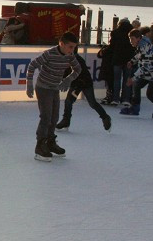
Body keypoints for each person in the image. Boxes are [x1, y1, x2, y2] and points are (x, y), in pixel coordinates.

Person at [27, 32, 83, 162]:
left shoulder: (70, 56)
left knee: (54, 117)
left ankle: (50, 142)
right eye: (70, 47)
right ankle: (40, 146)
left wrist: (68, 80)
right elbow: (32, 65)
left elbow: (78, 69)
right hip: (43, 88)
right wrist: (29, 83)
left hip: (54, 89)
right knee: (46, 117)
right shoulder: (49, 53)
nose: (72, 50)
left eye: (74, 47)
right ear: (61, 44)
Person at [57, 50, 112, 133]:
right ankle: (66, 121)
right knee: (68, 101)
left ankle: (105, 117)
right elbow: (64, 73)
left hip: (85, 83)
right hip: (76, 84)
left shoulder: (78, 60)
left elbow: (81, 74)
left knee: (92, 103)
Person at [122, 28, 153, 117]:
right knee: (137, 85)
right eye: (130, 39)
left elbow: (145, 66)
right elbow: (140, 55)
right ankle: (135, 107)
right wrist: (132, 61)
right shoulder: (142, 44)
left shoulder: (144, 46)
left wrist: (133, 78)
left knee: (151, 94)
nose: (131, 42)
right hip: (149, 72)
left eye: (132, 39)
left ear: (138, 38)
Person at [107, 18, 135, 105]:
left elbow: (112, 46)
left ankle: (115, 99)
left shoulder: (115, 32)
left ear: (120, 24)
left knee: (116, 80)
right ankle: (125, 99)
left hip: (117, 59)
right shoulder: (133, 33)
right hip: (129, 60)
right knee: (127, 79)